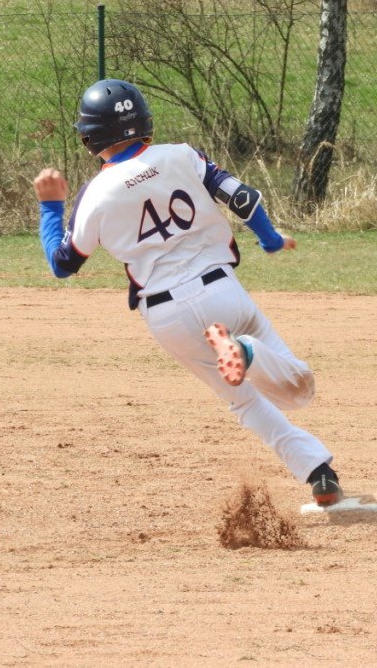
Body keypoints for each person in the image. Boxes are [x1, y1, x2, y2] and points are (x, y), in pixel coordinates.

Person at [33, 78, 343, 506]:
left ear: (89, 137)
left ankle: (318, 472)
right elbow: (242, 197)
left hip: (166, 317)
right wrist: (270, 239)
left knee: (245, 403)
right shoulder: (180, 155)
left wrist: (50, 207)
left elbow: (63, 264)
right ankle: (247, 353)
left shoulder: (95, 194)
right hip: (220, 291)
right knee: (299, 390)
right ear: (145, 122)